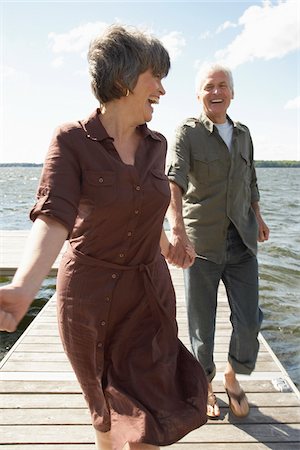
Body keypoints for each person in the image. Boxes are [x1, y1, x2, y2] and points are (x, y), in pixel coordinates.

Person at [0, 25, 208, 450]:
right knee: (106, 410)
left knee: (150, 415)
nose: (163, 91)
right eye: (156, 77)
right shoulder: (71, 140)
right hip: (89, 300)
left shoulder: (157, 145)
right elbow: (54, 217)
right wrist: (24, 285)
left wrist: (171, 248)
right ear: (123, 78)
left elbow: (146, 214)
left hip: (148, 295)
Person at [166, 63, 270, 419]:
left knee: (250, 319)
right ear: (199, 94)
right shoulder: (187, 132)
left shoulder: (243, 134)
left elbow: (251, 178)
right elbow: (174, 181)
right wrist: (176, 230)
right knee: (201, 324)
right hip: (201, 244)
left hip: (242, 240)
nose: (216, 92)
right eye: (209, 86)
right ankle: (205, 385)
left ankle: (232, 373)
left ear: (232, 92)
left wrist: (257, 214)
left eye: (222, 85)